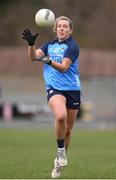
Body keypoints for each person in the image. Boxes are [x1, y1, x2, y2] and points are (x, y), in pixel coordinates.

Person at [22, 16, 81, 178]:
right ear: (55, 29)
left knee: (68, 131)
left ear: (70, 30)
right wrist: (31, 44)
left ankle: (59, 160)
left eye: (65, 26)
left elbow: (63, 67)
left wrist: (47, 61)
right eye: (59, 26)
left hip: (73, 90)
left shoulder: (72, 46)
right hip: (54, 88)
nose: (62, 28)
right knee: (60, 116)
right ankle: (61, 151)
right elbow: (33, 58)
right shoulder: (49, 44)